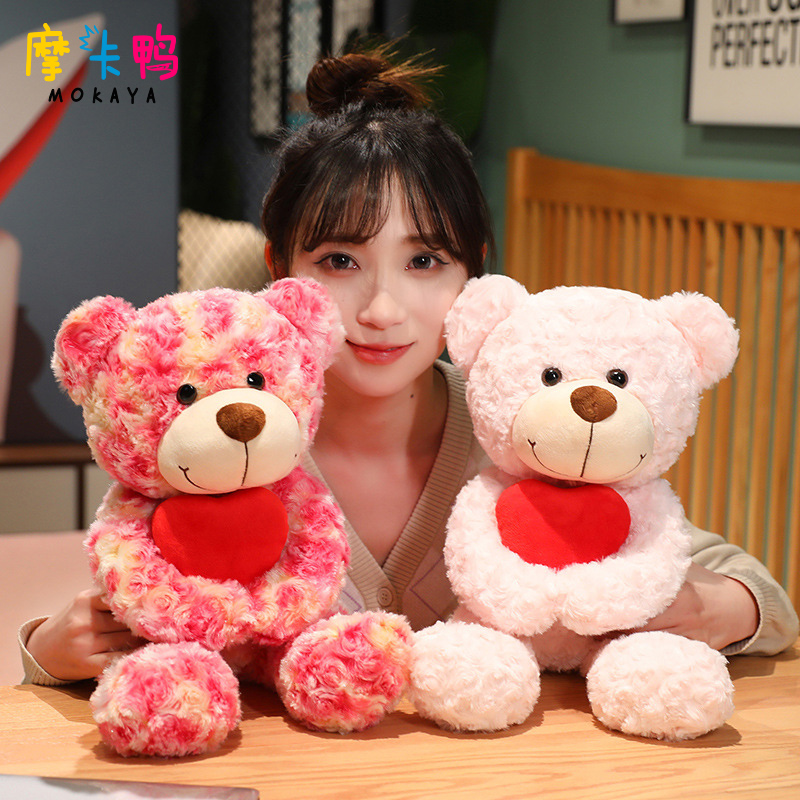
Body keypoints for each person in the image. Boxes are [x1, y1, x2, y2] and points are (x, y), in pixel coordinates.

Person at [20, 46, 798, 686]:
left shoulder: (523, 432)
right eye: (340, 260)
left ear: (471, 273)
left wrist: (714, 607)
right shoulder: (220, 440)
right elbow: (125, 605)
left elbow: (760, 597)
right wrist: (49, 652)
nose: (383, 309)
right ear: (281, 272)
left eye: (424, 261)